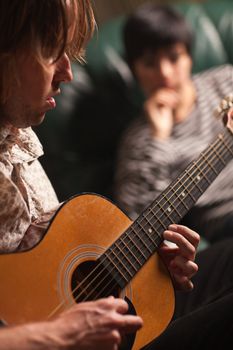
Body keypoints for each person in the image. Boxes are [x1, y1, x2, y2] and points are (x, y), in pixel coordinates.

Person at [0, 1, 233, 349]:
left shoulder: (18, 131)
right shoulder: (138, 139)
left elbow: (56, 266)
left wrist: (149, 269)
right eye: (51, 53)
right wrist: (58, 334)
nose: (68, 73)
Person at [114, 3, 233, 244]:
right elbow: (139, 225)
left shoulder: (226, 80)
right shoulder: (138, 141)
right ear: (134, 70)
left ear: (189, 57)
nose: (165, 73)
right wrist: (159, 138)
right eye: (150, 63)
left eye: (174, 57)